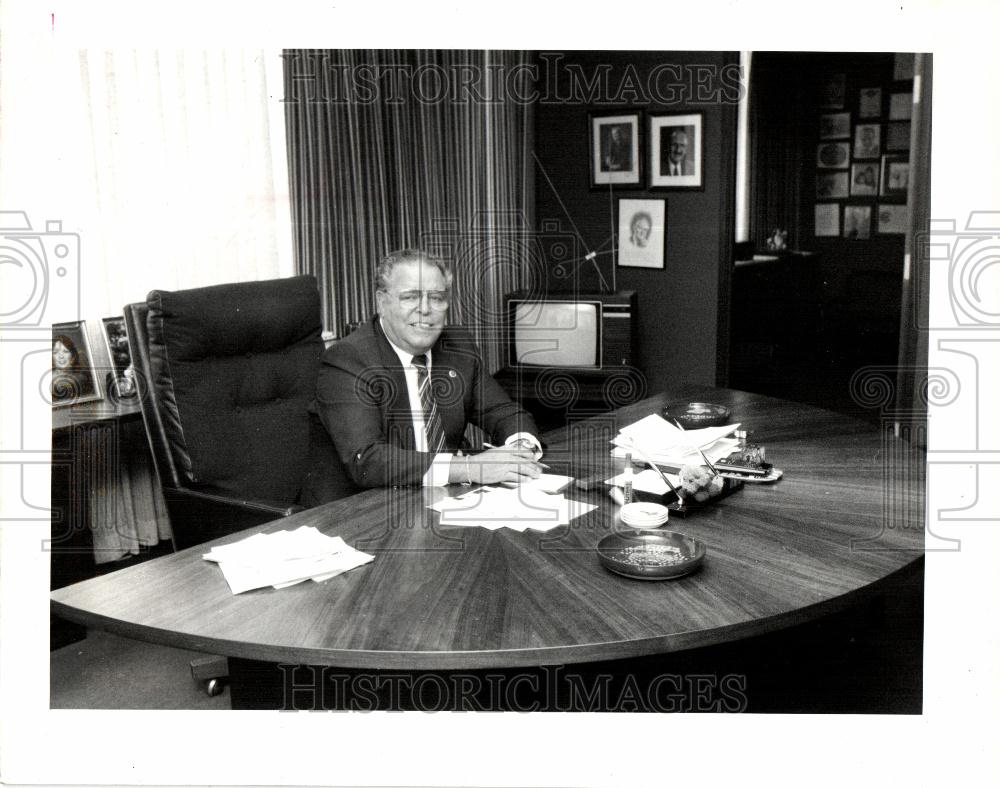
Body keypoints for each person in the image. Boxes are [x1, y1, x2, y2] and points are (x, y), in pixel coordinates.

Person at [313, 249, 545, 489]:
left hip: (444, 499)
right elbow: (370, 461)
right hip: (363, 508)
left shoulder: (457, 346)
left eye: (436, 298)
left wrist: (521, 448)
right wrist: (471, 468)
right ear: (382, 302)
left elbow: (504, 412)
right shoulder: (348, 359)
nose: (425, 309)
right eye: (410, 297)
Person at [51, 334, 95, 402]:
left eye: (65, 351)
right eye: (56, 352)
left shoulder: (82, 378)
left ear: (72, 355)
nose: (61, 356)